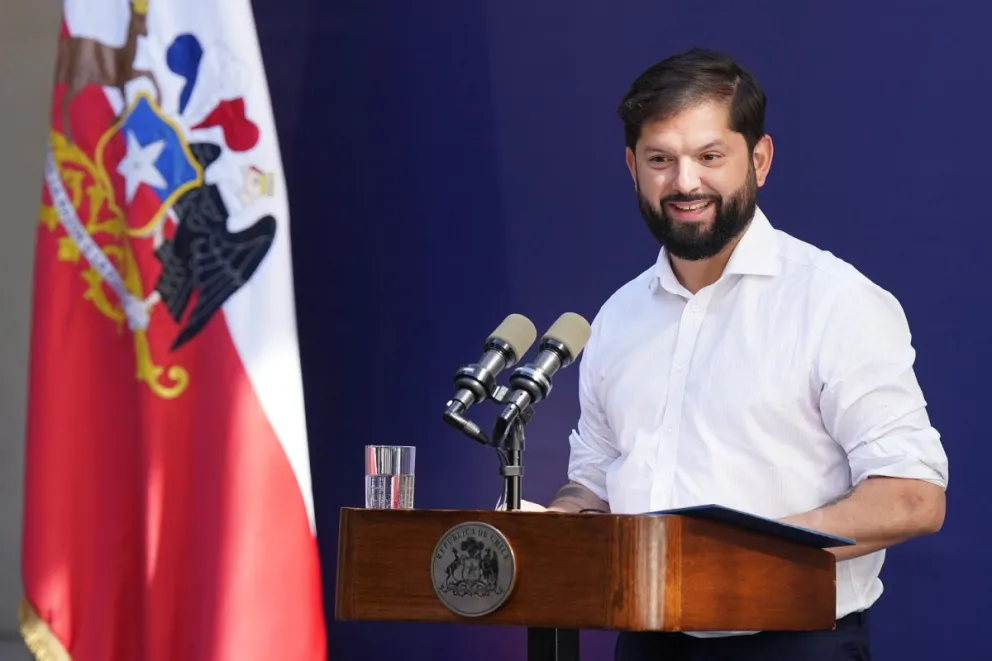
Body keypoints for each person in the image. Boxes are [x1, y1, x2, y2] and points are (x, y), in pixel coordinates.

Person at [544, 47, 949, 661]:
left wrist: (740, 552)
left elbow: (913, 496)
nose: (684, 183)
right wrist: (560, 519)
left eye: (710, 156)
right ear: (632, 167)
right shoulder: (618, 318)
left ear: (759, 159)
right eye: (661, 159)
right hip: (646, 642)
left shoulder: (835, 301)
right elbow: (595, 479)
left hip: (795, 642)